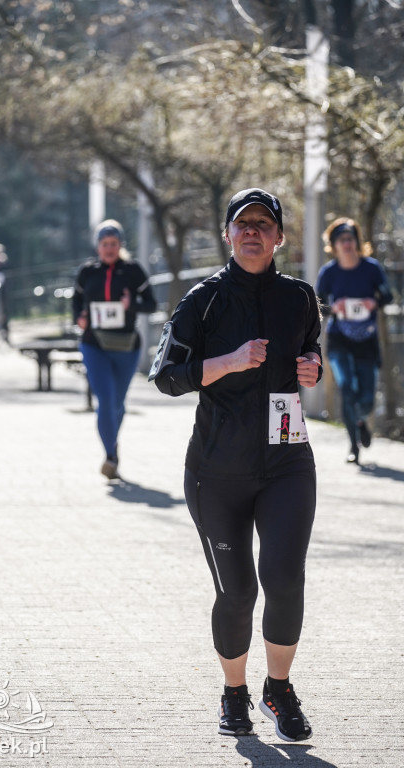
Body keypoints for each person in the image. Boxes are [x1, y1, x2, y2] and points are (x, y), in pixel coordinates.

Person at [150, 189, 322, 742]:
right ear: (228, 234)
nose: (252, 231)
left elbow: (312, 348)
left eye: (263, 224)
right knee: (238, 592)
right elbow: (167, 376)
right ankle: (233, 692)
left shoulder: (299, 297)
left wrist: (312, 366)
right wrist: (227, 361)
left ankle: (279, 687)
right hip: (216, 472)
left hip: (287, 461)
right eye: (242, 223)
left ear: (279, 238)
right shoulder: (203, 300)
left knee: (285, 579)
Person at [73, 219, 156, 479]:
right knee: (105, 400)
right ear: (97, 246)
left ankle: (113, 444)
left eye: (113, 244)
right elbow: (76, 301)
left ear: (120, 245)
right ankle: (110, 455)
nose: (109, 248)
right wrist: (80, 318)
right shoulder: (88, 271)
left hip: (126, 346)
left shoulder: (132, 271)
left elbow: (151, 304)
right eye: (104, 244)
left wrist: (131, 305)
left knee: (118, 404)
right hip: (94, 344)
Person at [316, 218, 393, 464]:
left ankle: (361, 420)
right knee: (347, 390)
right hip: (339, 339)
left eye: (351, 239)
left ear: (357, 242)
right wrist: (334, 307)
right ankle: (353, 446)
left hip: (367, 339)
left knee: (367, 398)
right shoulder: (328, 273)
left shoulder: (371, 268)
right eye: (342, 240)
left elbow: (388, 295)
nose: (347, 244)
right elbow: (317, 305)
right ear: (334, 245)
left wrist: (375, 303)